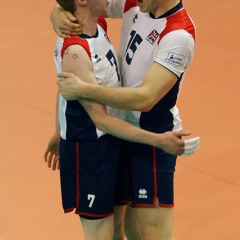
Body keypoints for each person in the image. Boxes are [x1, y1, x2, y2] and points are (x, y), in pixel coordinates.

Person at [49, 0, 199, 239]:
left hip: (152, 137)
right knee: (128, 228)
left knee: (152, 232)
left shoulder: (178, 34)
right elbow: (85, 8)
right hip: (118, 134)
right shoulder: (136, 3)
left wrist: (83, 90)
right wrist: (58, 12)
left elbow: (145, 98)